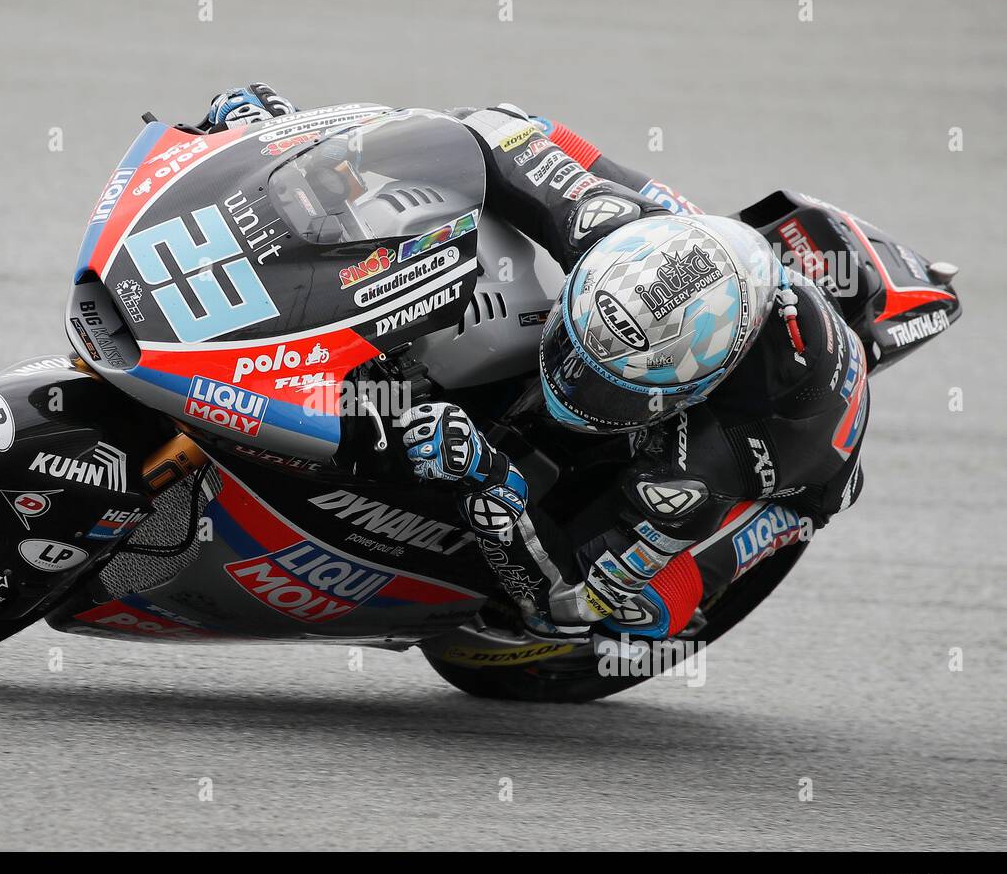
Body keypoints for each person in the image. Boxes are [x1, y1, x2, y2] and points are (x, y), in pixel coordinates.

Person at [201, 86, 869, 641]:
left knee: (647, 617)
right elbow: (476, 130)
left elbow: (568, 603)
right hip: (692, 264)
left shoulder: (702, 464)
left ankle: (766, 530)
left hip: (791, 461)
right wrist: (292, 141)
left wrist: (492, 486)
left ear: (686, 394)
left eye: (603, 385)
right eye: (572, 349)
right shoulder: (603, 220)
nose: (566, 385)